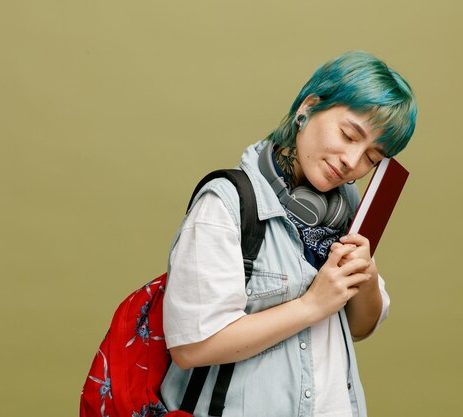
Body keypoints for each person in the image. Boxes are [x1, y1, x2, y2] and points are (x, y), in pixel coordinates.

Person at [160, 51, 417, 417]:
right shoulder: (228, 206)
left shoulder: (343, 212)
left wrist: (366, 276)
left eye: (371, 158)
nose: (352, 162)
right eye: (348, 135)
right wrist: (311, 306)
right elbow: (192, 348)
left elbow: (360, 326)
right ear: (308, 107)